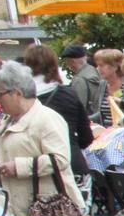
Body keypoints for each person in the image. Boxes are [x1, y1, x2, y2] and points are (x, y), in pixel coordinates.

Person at [0, 61, 85, 216]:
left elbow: (60, 159)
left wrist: (18, 166)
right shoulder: (10, 120)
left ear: (17, 93)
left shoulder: (46, 118)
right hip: (22, 209)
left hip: (48, 211)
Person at [22, 43, 92, 177]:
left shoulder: (22, 98)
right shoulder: (69, 94)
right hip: (73, 165)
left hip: (38, 171)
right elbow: (86, 136)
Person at [63, 43, 103, 120]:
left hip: (89, 121)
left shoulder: (79, 79)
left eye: (67, 61)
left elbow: (79, 107)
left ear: (72, 62)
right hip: (100, 117)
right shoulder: (95, 71)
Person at [92, 48, 124, 129]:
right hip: (107, 135)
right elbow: (101, 113)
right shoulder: (103, 85)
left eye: (101, 65)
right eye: (97, 65)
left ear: (114, 67)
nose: (98, 69)